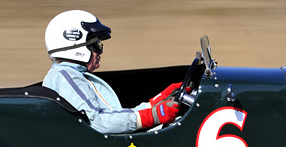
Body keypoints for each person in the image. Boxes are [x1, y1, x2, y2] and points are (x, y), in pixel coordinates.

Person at [42, 10, 182, 134]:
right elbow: (99, 121)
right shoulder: (65, 77)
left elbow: (111, 114)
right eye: (96, 45)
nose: (100, 51)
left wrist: (155, 103)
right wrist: (151, 116)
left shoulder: (68, 75)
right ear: (76, 47)